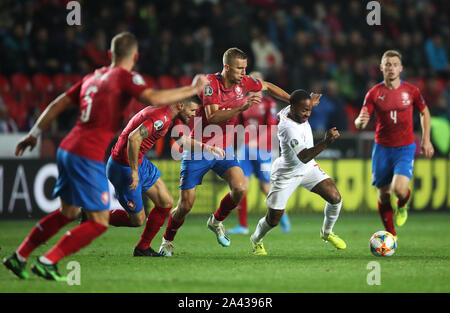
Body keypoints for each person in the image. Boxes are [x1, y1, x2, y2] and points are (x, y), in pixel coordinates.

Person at [2, 31, 209, 281]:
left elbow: (58, 103)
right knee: (100, 222)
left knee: (72, 212)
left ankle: (19, 256)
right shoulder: (125, 79)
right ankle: (48, 260)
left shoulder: (93, 77)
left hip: (69, 147)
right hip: (90, 154)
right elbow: (150, 103)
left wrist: (34, 133)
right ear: (135, 56)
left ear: (110, 54)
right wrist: (193, 87)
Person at [158, 47, 291, 256]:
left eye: (245, 68)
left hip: (223, 149)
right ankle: (167, 241)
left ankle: (216, 220)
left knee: (239, 188)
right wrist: (242, 107)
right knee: (185, 205)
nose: (244, 73)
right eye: (239, 68)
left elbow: (267, 86)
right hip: (198, 149)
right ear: (226, 67)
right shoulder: (211, 84)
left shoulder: (244, 82)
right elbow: (212, 117)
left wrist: (292, 100)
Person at [106, 95, 225, 257]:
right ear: (181, 105)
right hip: (124, 167)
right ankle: (93, 215)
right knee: (137, 220)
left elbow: (182, 141)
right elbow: (133, 139)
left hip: (139, 162)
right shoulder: (161, 116)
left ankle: (142, 248)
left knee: (165, 203)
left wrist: (207, 148)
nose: (193, 114)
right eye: (192, 110)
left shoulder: (173, 115)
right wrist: (134, 171)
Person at [250, 90, 346, 255]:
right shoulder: (288, 129)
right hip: (287, 173)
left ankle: (327, 232)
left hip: (308, 169)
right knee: (273, 220)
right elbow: (304, 156)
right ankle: (256, 239)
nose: (308, 114)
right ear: (292, 108)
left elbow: (292, 104)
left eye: (309, 110)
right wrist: (326, 141)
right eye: (304, 110)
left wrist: (310, 103)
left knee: (335, 198)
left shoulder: (291, 110)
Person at [354, 50, 434, 238]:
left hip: (405, 148)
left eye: (395, 64)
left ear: (401, 68)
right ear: (381, 67)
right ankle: (391, 235)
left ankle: (403, 204)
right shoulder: (374, 93)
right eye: (387, 64)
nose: (391, 68)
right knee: (383, 195)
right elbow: (360, 121)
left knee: (399, 189)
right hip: (382, 148)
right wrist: (360, 122)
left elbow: (424, 112)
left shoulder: (411, 91)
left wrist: (426, 139)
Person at [228, 71, 290, 235]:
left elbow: (271, 127)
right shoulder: (243, 102)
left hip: (263, 150)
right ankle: (242, 225)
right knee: (241, 186)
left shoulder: (269, 103)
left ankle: (282, 217)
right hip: (245, 149)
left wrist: (257, 141)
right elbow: (238, 125)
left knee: (265, 186)